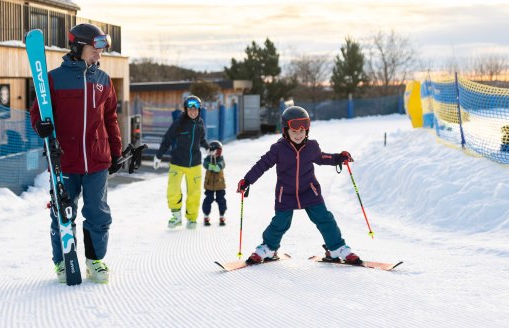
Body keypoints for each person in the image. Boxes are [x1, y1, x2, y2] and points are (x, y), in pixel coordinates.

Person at [30, 23, 123, 284]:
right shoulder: (52, 79)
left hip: (97, 160)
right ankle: (62, 262)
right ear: (79, 46)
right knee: (62, 213)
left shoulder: (103, 81)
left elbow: (110, 118)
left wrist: (115, 152)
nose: (99, 54)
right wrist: (42, 126)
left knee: (98, 213)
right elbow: (37, 113)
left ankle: (95, 261)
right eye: (96, 48)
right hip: (64, 161)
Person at [236, 106, 361, 265]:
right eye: (294, 132)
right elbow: (262, 164)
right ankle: (268, 248)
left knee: (324, 219)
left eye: (302, 131)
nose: (298, 135)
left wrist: (338, 158)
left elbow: (323, 157)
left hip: (310, 191)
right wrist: (247, 181)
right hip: (285, 194)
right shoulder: (278, 149)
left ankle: (337, 248)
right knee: (280, 223)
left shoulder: (311, 147)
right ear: (285, 131)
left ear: (307, 131)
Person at [153, 95, 210, 229]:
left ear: (199, 110)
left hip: (194, 164)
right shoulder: (179, 123)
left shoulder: (200, 123)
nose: (192, 112)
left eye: (195, 109)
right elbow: (167, 138)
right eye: (190, 109)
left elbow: (202, 139)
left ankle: (191, 219)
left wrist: (208, 147)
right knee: (173, 190)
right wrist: (159, 155)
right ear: (186, 109)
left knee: (194, 193)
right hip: (177, 163)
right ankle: (176, 217)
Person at [202, 140, 227, 226]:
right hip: (209, 185)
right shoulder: (208, 159)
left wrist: (218, 166)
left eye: (219, 151)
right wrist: (210, 165)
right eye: (216, 151)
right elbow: (205, 164)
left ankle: (222, 215)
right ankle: (206, 215)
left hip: (220, 185)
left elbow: (222, 164)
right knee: (208, 199)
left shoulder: (221, 159)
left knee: (221, 200)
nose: (217, 153)